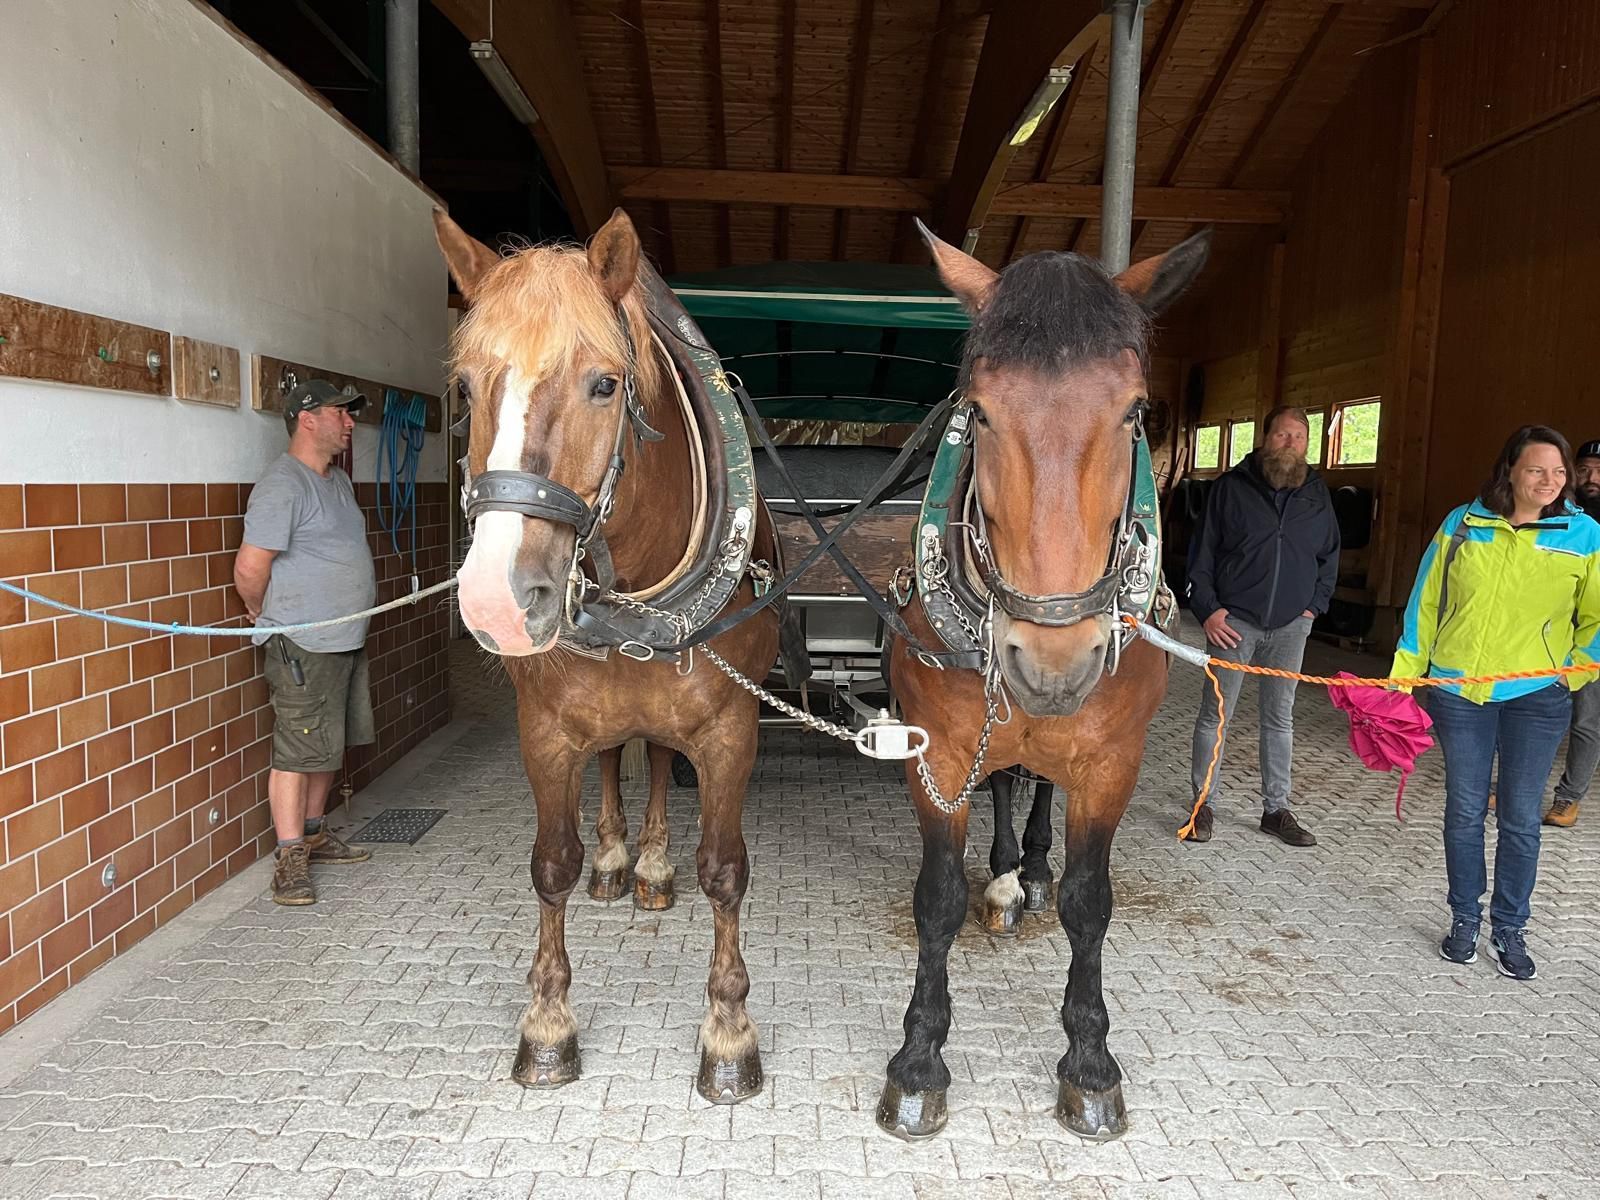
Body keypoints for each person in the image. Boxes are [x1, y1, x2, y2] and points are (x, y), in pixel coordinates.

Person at [1393, 426, 1600, 980]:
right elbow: (1426, 601)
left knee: (1520, 817)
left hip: (1538, 695)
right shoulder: (1463, 524)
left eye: (1559, 473)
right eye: (1537, 470)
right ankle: (1464, 918)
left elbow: (1595, 615)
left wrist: (1574, 671)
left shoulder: (1584, 535)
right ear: (1509, 470)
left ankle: (1510, 926)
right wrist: (1405, 675)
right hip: (1460, 692)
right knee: (1463, 811)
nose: (1549, 482)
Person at [235, 380, 377, 906]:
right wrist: (261, 612)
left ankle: (314, 833)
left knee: (326, 742)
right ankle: (290, 857)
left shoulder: (335, 481)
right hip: (303, 644)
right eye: (341, 412)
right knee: (298, 748)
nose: (350, 422)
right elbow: (250, 568)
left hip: (343, 638)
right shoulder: (282, 485)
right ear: (307, 418)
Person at [1183, 406, 1341, 847]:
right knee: (1216, 714)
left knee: (1279, 717)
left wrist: (1314, 607)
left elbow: (1330, 554)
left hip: (1291, 627)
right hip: (1233, 624)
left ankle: (1276, 810)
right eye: (1282, 435)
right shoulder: (1230, 489)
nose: (1290, 443)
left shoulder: (1316, 494)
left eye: (1299, 437)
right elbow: (1201, 554)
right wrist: (1209, 610)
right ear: (1264, 438)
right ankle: (1202, 805)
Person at [1545, 438, 1600, 828]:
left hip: (1595, 634)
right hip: (1558, 627)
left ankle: (1568, 798)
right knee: (1539, 711)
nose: (1591, 478)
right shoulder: (1560, 515)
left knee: (1586, 719)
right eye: (1583, 470)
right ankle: (1517, 785)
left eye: (1599, 471)